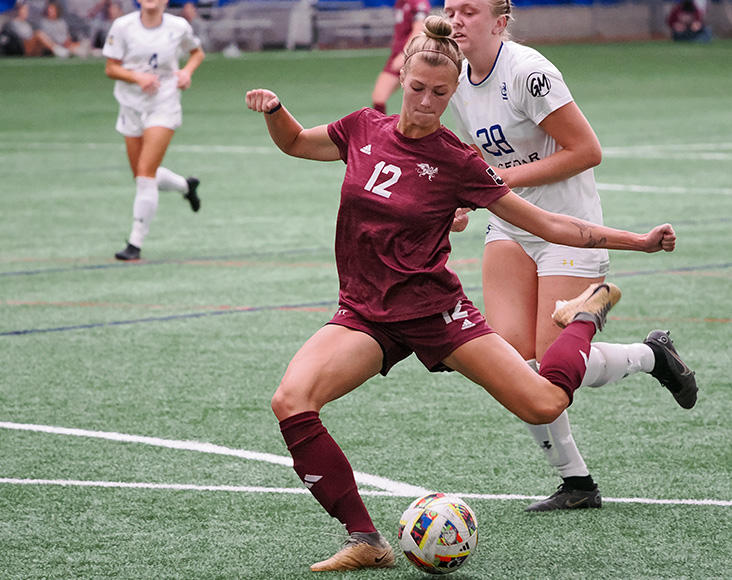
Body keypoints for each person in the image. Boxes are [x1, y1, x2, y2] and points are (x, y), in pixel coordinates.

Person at [246, 15, 678, 572]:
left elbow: (553, 226)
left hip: (438, 313)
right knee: (291, 402)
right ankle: (368, 541)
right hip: (365, 314)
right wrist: (276, 112)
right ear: (402, 77)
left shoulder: (457, 161)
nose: (427, 102)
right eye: (419, 88)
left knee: (545, 400)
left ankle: (586, 314)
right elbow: (297, 145)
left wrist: (638, 242)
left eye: (441, 93)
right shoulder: (362, 128)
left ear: (453, 93)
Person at [445, 0, 698, 512]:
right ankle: (577, 484)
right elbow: (481, 157)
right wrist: (460, 198)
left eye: (468, 11)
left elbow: (586, 150)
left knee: (554, 368)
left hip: (568, 227)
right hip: (511, 224)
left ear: (499, 22)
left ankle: (653, 357)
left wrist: (499, 182)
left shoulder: (529, 72)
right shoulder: (456, 79)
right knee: (512, 365)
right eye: (449, 10)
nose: (455, 21)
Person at [103, 0, 204, 261]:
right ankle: (185, 186)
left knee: (146, 175)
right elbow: (111, 68)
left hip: (164, 103)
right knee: (140, 174)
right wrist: (138, 77)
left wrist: (186, 73)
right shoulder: (123, 26)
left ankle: (135, 243)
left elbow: (197, 53)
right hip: (130, 105)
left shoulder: (178, 26)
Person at [370, 0, 431, 114]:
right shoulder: (400, 3)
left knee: (419, 100)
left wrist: (405, 54)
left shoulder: (418, 3)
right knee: (378, 97)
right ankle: (380, 129)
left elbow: (419, 28)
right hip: (397, 54)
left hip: (411, 57)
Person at [5, 0, 70, 57]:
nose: (26, 12)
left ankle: (64, 50)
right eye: (24, 10)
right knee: (39, 35)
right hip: (23, 48)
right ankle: (58, 50)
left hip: (34, 47)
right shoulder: (14, 23)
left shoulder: (28, 24)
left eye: (26, 10)